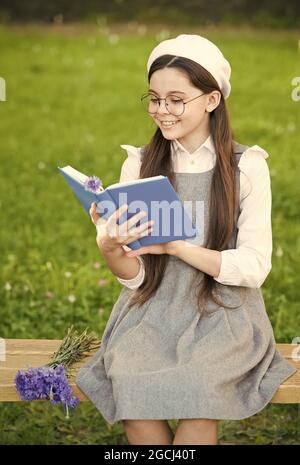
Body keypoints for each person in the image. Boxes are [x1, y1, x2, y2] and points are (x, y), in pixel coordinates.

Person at [75, 34, 296, 445]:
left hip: (224, 315)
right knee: (132, 388)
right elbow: (137, 276)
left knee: (199, 391)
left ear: (211, 100)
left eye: (177, 99)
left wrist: (178, 246)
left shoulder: (246, 167)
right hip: (151, 312)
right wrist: (109, 247)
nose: (162, 111)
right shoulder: (139, 163)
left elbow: (253, 266)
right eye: (154, 99)